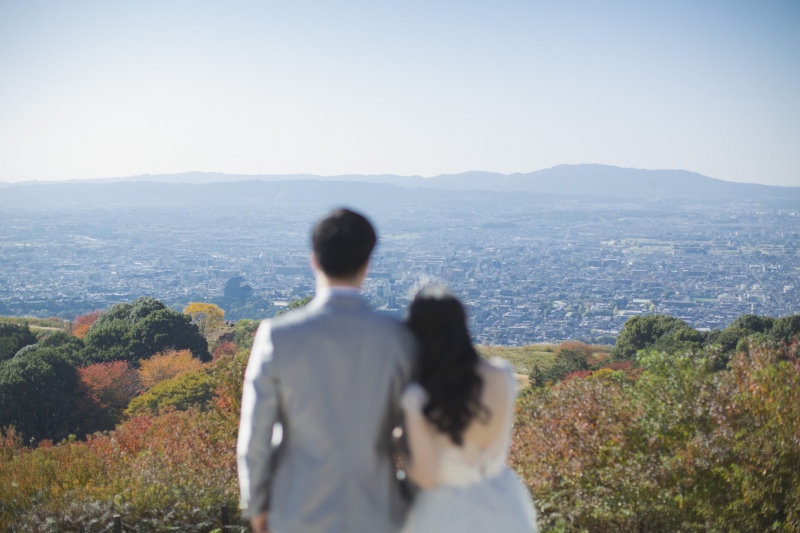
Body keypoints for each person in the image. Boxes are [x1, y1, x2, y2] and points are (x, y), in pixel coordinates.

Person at [237, 208, 416, 533]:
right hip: (378, 513)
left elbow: (255, 438)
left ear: (314, 260)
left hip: (296, 512)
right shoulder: (398, 338)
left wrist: (257, 505)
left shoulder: (277, 336)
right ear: (367, 264)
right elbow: (417, 435)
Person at [399, 286, 538, 533]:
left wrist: (399, 442)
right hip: (504, 501)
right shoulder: (501, 376)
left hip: (441, 512)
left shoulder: (417, 397)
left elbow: (426, 476)